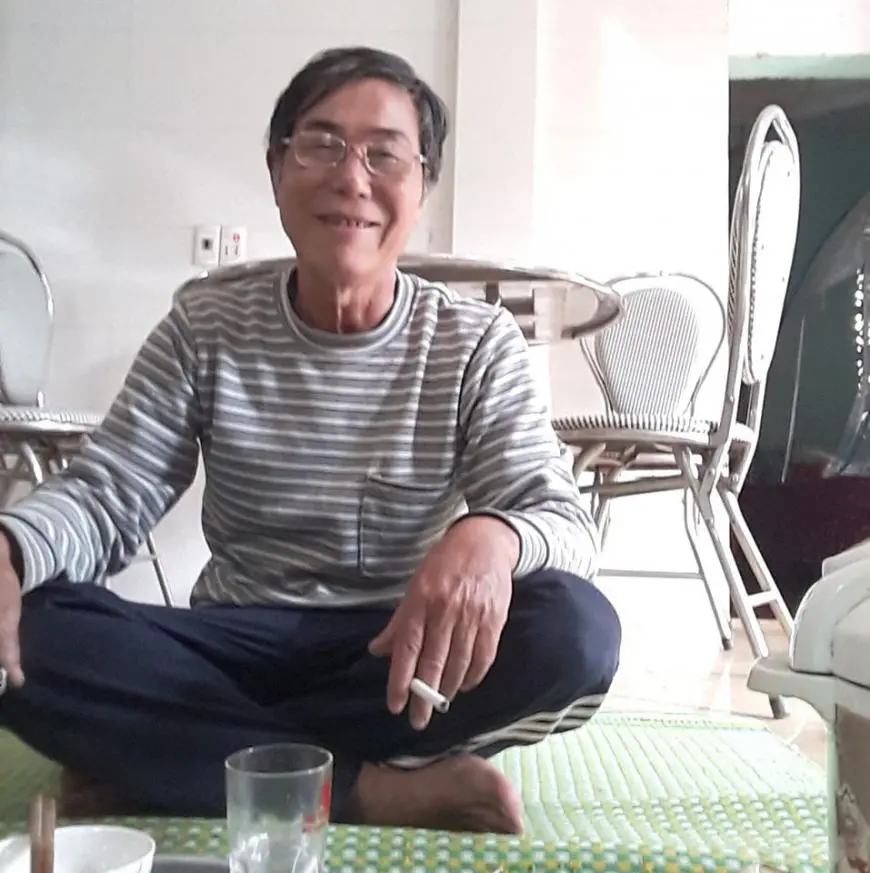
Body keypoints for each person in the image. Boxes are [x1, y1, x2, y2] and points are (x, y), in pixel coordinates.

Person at [0, 46, 621, 834]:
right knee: (37, 627)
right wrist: (9, 548)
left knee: (575, 629)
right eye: (322, 144)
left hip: (392, 654)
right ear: (276, 169)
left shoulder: (475, 341)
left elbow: (561, 520)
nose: (352, 177)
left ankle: (175, 756)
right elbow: (106, 495)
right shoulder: (203, 327)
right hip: (231, 640)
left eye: (384, 154)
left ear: (422, 185)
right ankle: (371, 790)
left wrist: (493, 535)